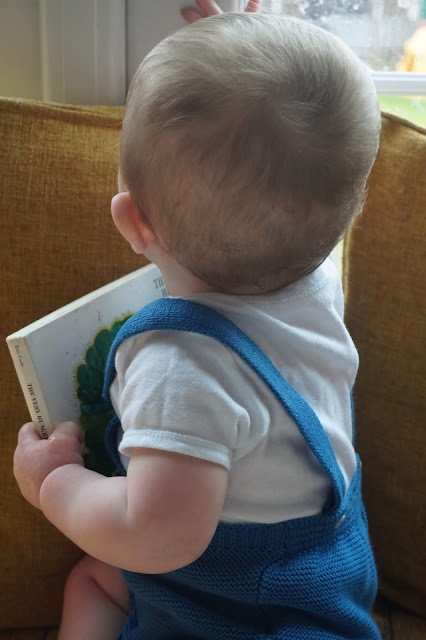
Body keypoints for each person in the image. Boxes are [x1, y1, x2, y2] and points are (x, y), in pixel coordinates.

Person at [13, 1, 382, 638]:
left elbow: (154, 535)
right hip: (326, 589)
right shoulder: (318, 277)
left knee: (94, 581)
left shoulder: (176, 368)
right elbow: (293, 142)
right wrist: (232, 48)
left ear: (132, 222)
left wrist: (56, 484)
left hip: (232, 619)